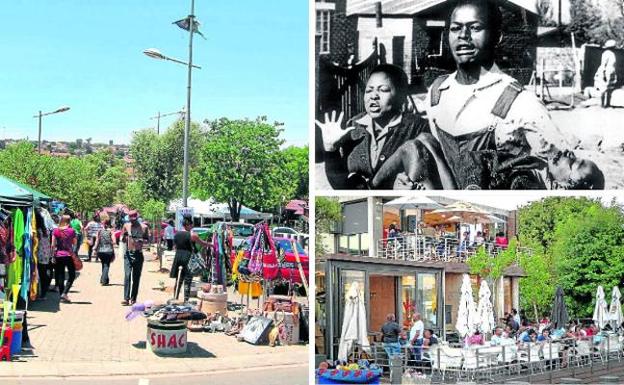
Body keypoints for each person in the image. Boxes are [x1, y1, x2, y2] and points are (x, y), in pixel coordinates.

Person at [376, 0, 604, 190]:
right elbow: (433, 160)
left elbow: (563, 173)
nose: (463, 36)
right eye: (455, 28)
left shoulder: (521, 103)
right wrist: (407, 183)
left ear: (497, 36)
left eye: (475, 28)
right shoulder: (437, 93)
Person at [316, 64, 435, 189]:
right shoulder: (354, 127)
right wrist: (331, 150)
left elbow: (428, 177)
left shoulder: (418, 127)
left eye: (383, 90)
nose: (373, 96)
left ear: (401, 96)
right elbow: (341, 185)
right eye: (369, 90)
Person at [170, 215, 210, 302]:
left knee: (178, 279)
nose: (192, 227)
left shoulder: (176, 234)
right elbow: (203, 243)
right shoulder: (192, 235)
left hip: (178, 257)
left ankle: (175, 298)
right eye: (192, 225)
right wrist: (211, 245)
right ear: (188, 225)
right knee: (187, 280)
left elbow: (174, 246)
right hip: (187, 258)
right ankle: (186, 300)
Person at [120, 210, 149, 306]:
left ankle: (133, 298)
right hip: (128, 254)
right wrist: (124, 237)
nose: (132, 221)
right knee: (127, 276)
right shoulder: (126, 226)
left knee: (136, 278)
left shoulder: (144, 227)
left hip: (138, 254)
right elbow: (122, 239)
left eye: (134, 219)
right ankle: (126, 298)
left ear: (137, 218)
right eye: (131, 219)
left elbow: (148, 241)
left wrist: (141, 241)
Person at [51, 215, 77, 303]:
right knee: (72, 275)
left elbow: (52, 245)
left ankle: (62, 294)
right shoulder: (72, 231)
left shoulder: (56, 230)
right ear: (69, 221)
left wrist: (52, 255)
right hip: (68, 255)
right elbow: (74, 242)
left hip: (58, 255)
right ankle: (65, 293)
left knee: (60, 275)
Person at [594, 40, 618, 108]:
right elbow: (603, 64)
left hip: (611, 72)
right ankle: (602, 104)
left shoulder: (612, 54)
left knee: (610, 89)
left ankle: (608, 104)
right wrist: (603, 73)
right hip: (606, 72)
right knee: (604, 88)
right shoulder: (606, 53)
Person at [92, 219, 115, 286]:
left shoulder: (99, 231)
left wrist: (94, 249)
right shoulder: (111, 231)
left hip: (100, 251)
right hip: (109, 250)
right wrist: (110, 242)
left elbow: (97, 241)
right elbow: (114, 242)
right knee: (106, 265)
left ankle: (105, 279)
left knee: (104, 264)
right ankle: (104, 280)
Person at [35, 210, 52, 299]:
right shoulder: (46, 231)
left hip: (38, 255)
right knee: (43, 274)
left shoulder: (37, 232)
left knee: (38, 274)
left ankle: (39, 293)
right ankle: (43, 293)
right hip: (45, 255)